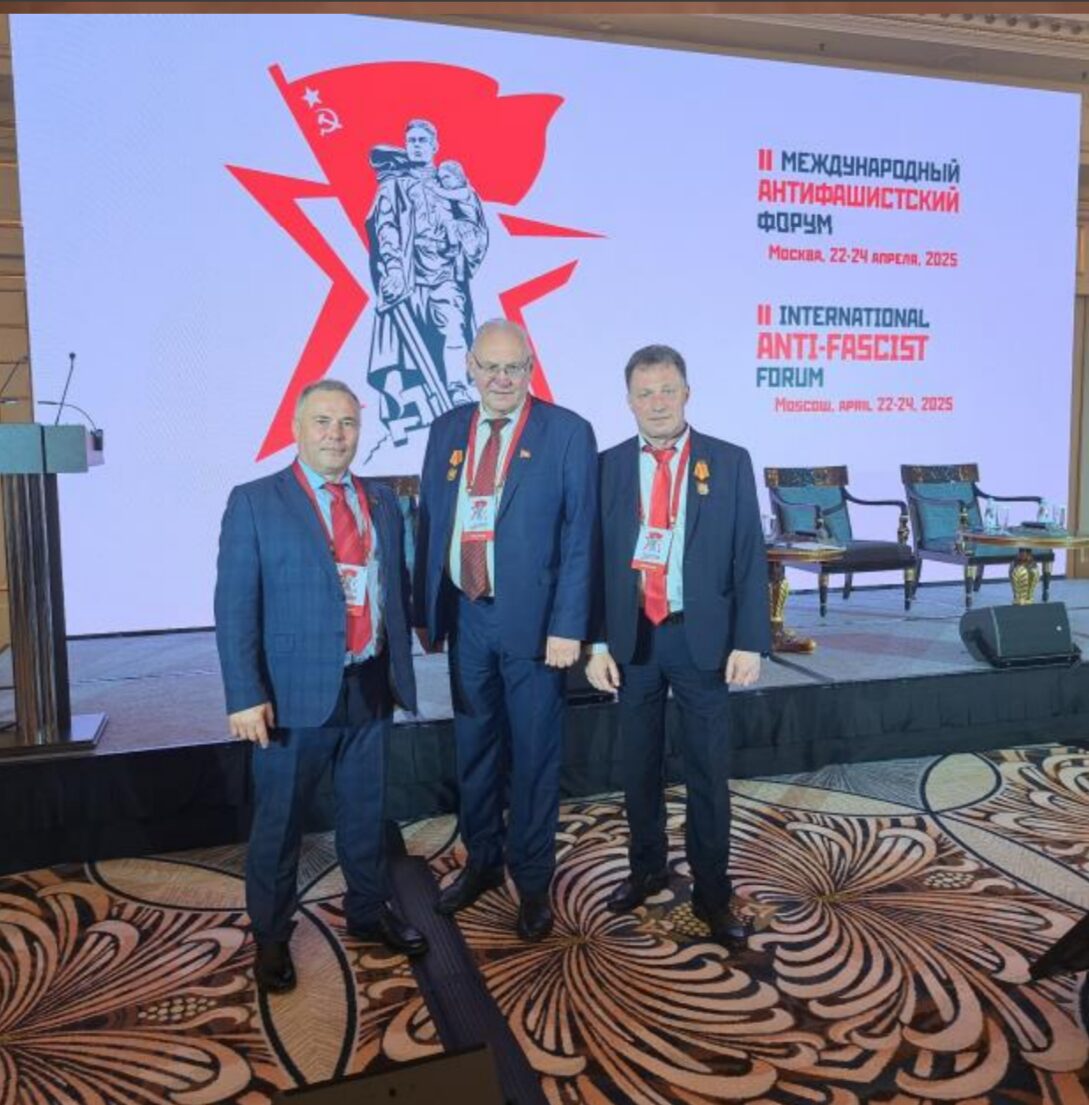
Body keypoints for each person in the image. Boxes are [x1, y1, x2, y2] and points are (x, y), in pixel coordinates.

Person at [215, 379, 427, 994]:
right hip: (291, 695)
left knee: (366, 812)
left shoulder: (381, 499)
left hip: (370, 681)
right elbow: (234, 606)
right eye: (323, 422)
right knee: (280, 823)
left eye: (348, 423)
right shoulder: (255, 501)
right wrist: (243, 693)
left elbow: (390, 582)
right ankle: (271, 935)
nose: (336, 435)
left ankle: (367, 910)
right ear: (296, 429)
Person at [413, 319, 598, 940]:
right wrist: (427, 610)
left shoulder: (566, 432)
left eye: (512, 367)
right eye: (489, 367)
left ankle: (534, 882)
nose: (500, 378)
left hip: (538, 626)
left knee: (535, 757)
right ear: (470, 366)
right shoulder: (447, 430)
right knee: (474, 748)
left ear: (530, 368)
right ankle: (482, 862)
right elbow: (432, 520)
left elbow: (580, 535)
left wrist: (569, 625)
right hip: (467, 616)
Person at [585, 344, 769, 951]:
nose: (657, 403)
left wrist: (750, 640)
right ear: (629, 401)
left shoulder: (729, 461)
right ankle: (646, 869)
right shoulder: (607, 467)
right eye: (645, 393)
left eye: (667, 390)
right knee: (637, 766)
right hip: (633, 638)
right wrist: (596, 642)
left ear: (687, 393)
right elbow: (592, 562)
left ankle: (713, 892)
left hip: (702, 638)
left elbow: (749, 555)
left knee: (707, 772)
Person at [366, 119, 489, 444]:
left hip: (444, 274)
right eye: (412, 140)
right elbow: (385, 229)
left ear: (435, 145)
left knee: (453, 330)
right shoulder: (393, 186)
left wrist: (461, 239)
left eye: (423, 140)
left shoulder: (451, 183)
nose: (417, 145)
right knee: (404, 352)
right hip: (408, 278)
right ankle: (405, 415)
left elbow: (475, 225)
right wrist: (394, 269)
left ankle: (457, 390)